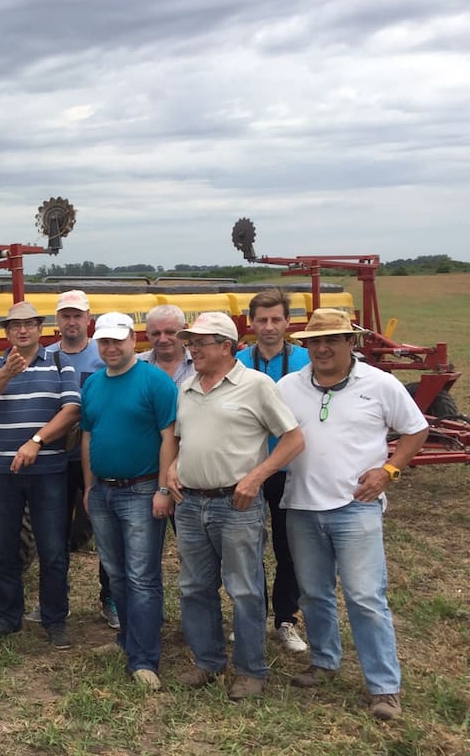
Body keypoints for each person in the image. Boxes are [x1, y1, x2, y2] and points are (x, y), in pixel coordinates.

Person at [278, 309, 428, 721]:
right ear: (305, 345)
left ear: (351, 343)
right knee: (314, 593)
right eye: (314, 342)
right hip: (303, 506)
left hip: (356, 507)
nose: (322, 349)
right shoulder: (288, 386)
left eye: (332, 340)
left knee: (365, 597)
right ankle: (324, 662)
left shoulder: (380, 384)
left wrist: (389, 470)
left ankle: (384, 687)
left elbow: (416, 430)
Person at [168, 312, 304, 700]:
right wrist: (175, 468)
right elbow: (184, 438)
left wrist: (255, 477)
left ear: (226, 346)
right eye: (190, 342)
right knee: (194, 587)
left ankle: (250, 670)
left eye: (200, 342)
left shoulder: (256, 385)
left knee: (244, 589)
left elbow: (293, 440)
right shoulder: (188, 386)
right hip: (191, 503)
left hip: (236, 503)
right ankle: (208, 662)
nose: (192, 349)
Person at [80, 313, 178, 690]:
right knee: (116, 572)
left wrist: (164, 489)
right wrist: (89, 487)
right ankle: (126, 640)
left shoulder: (155, 381)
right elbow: (88, 438)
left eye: (117, 341)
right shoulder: (93, 385)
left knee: (142, 576)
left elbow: (169, 436)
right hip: (103, 491)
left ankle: (145, 658)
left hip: (142, 489)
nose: (110, 348)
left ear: (132, 340)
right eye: (103, 341)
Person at [0, 301, 81, 648]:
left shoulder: (58, 362)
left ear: (40, 329)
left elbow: (71, 411)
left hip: (48, 468)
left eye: (29, 324)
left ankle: (55, 619)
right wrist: (8, 371)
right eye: (15, 326)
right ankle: (9, 617)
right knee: (4, 548)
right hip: (1, 469)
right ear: (6, 332)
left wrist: (36, 441)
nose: (22, 330)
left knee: (52, 548)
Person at [234, 288, 312, 654]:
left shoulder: (305, 361)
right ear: (251, 323)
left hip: (285, 468)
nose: (268, 327)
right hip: (243, 469)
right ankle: (250, 617)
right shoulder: (234, 360)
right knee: (246, 548)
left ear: (288, 322)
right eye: (261, 320)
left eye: (276, 319)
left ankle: (285, 619)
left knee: (287, 546)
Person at [36, 289, 115, 629]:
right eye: (65, 316)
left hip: (95, 457)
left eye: (77, 315)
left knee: (105, 529)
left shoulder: (104, 357)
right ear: (58, 322)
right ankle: (54, 603)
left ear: (88, 321)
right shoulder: (44, 357)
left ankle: (109, 600)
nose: (71, 321)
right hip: (53, 457)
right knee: (52, 534)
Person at [137, 305, 196, 387]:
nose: (163, 340)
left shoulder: (201, 365)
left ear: (184, 329)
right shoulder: (133, 366)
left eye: (170, 332)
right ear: (147, 334)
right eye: (156, 334)